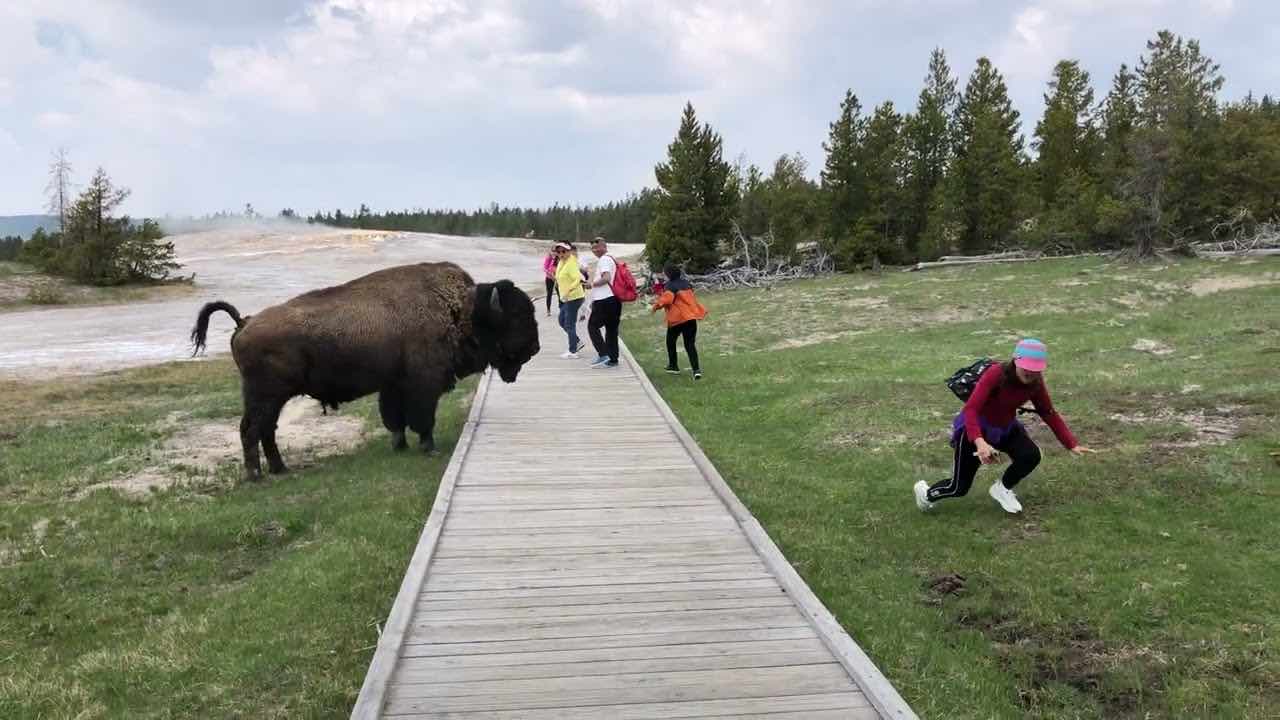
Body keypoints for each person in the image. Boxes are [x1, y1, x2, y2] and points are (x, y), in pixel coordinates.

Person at [914, 338, 1094, 514]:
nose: (1030, 373)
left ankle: (1002, 489)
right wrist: (980, 442)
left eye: (1035, 369)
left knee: (1031, 455)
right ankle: (926, 494)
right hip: (976, 429)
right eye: (1027, 367)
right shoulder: (995, 374)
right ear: (1016, 360)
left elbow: (1047, 412)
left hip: (1005, 428)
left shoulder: (1036, 383)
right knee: (958, 488)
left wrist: (1071, 443)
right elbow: (971, 410)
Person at [651, 264, 706, 380]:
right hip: (690, 318)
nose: (663, 275)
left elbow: (667, 300)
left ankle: (673, 366)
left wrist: (655, 306)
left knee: (670, 342)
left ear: (668, 274)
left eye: (664, 273)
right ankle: (696, 370)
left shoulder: (669, 286)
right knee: (690, 345)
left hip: (677, 320)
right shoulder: (686, 283)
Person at [586, 236, 621, 368]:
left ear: (604, 246)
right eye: (593, 248)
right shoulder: (611, 259)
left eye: (597, 246)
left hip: (604, 300)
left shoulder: (604, 260)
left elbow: (606, 278)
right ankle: (613, 359)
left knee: (592, 326)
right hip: (614, 299)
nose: (595, 250)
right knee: (611, 329)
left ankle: (603, 354)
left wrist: (592, 284)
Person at [552, 242, 586, 358]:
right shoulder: (562, 262)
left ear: (569, 251)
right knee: (562, 321)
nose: (561, 254)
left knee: (569, 323)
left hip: (574, 297)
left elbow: (577, 279)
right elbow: (560, 277)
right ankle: (577, 342)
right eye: (559, 252)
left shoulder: (571, 263)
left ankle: (573, 351)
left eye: (564, 251)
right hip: (566, 298)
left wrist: (568, 290)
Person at [541, 244, 559, 317]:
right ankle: (548, 310)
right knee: (549, 294)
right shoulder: (549, 258)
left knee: (559, 293)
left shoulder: (559, 258)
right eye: (553, 251)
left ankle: (561, 308)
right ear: (551, 251)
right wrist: (550, 274)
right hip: (549, 278)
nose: (554, 252)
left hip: (558, 279)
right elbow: (544, 268)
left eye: (556, 251)